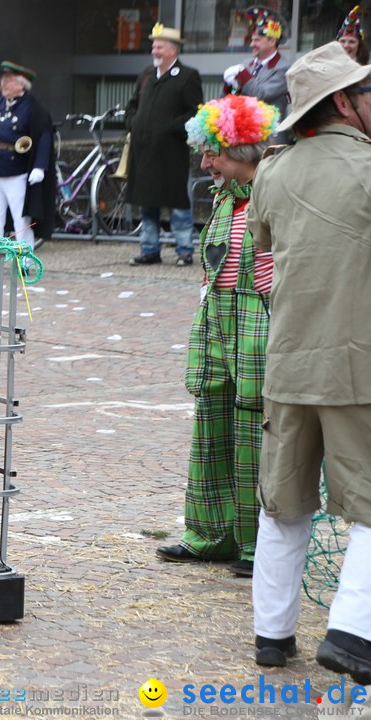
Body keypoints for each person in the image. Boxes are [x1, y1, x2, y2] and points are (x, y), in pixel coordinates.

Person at [245, 42, 371, 681]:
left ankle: (272, 635)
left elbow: (260, 245)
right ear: (342, 103)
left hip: (289, 364)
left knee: (284, 504)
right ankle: (353, 633)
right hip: (359, 368)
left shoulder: (275, 170)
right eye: (365, 91)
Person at [155, 94, 278, 578]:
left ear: (242, 151)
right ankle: (209, 534)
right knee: (210, 425)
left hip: (258, 321)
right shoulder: (224, 196)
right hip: (218, 320)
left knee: (253, 434)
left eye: (213, 152)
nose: (205, 162)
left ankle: (255, 546)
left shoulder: (272, 191)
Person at [126, 23, 203, 267]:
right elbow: (132, 105)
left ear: (172, 50)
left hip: (171, 151)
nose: (154, 50)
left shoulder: (188, 76)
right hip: (145, 150)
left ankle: (184, 250)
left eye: (159, 46)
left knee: (178, 202)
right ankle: (149, 249)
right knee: (147, 203)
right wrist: (134, 122)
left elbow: (195, 112)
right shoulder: (147, 74)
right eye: (154, 46)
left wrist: (169, 127)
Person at [0, 60, 56, 252]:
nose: (3, 84)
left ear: (21, 84)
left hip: (17, 171)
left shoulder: (33, 108)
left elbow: (44, 136)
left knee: (21, 220)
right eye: (3, 79)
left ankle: (24, 261)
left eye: (8, 80)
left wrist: (39, 167)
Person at [222, 8, 289, 140]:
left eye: (257, 40)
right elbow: (230, 99)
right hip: (245, 136)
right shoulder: (247, 64)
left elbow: (261, 94)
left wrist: (242, 75)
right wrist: (228, 87)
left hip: (270, 137)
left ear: (272, 41)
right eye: (252, 40)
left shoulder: (283, 68)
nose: (252, 44)